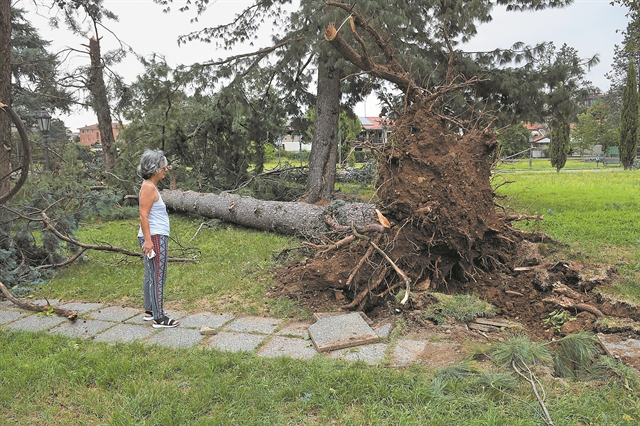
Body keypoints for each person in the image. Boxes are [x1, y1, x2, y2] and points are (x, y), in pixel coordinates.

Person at [137, 149, 179, 328]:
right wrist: (148, 241)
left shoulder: (150, 186)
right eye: (163, 166)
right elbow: (143, 216)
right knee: (157, 276)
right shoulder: (148, 187)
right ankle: (159, 318)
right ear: (154, 168)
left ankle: (150, 311)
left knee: (151, 274)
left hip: (153, 236)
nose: (166, 169)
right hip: (154, 237)